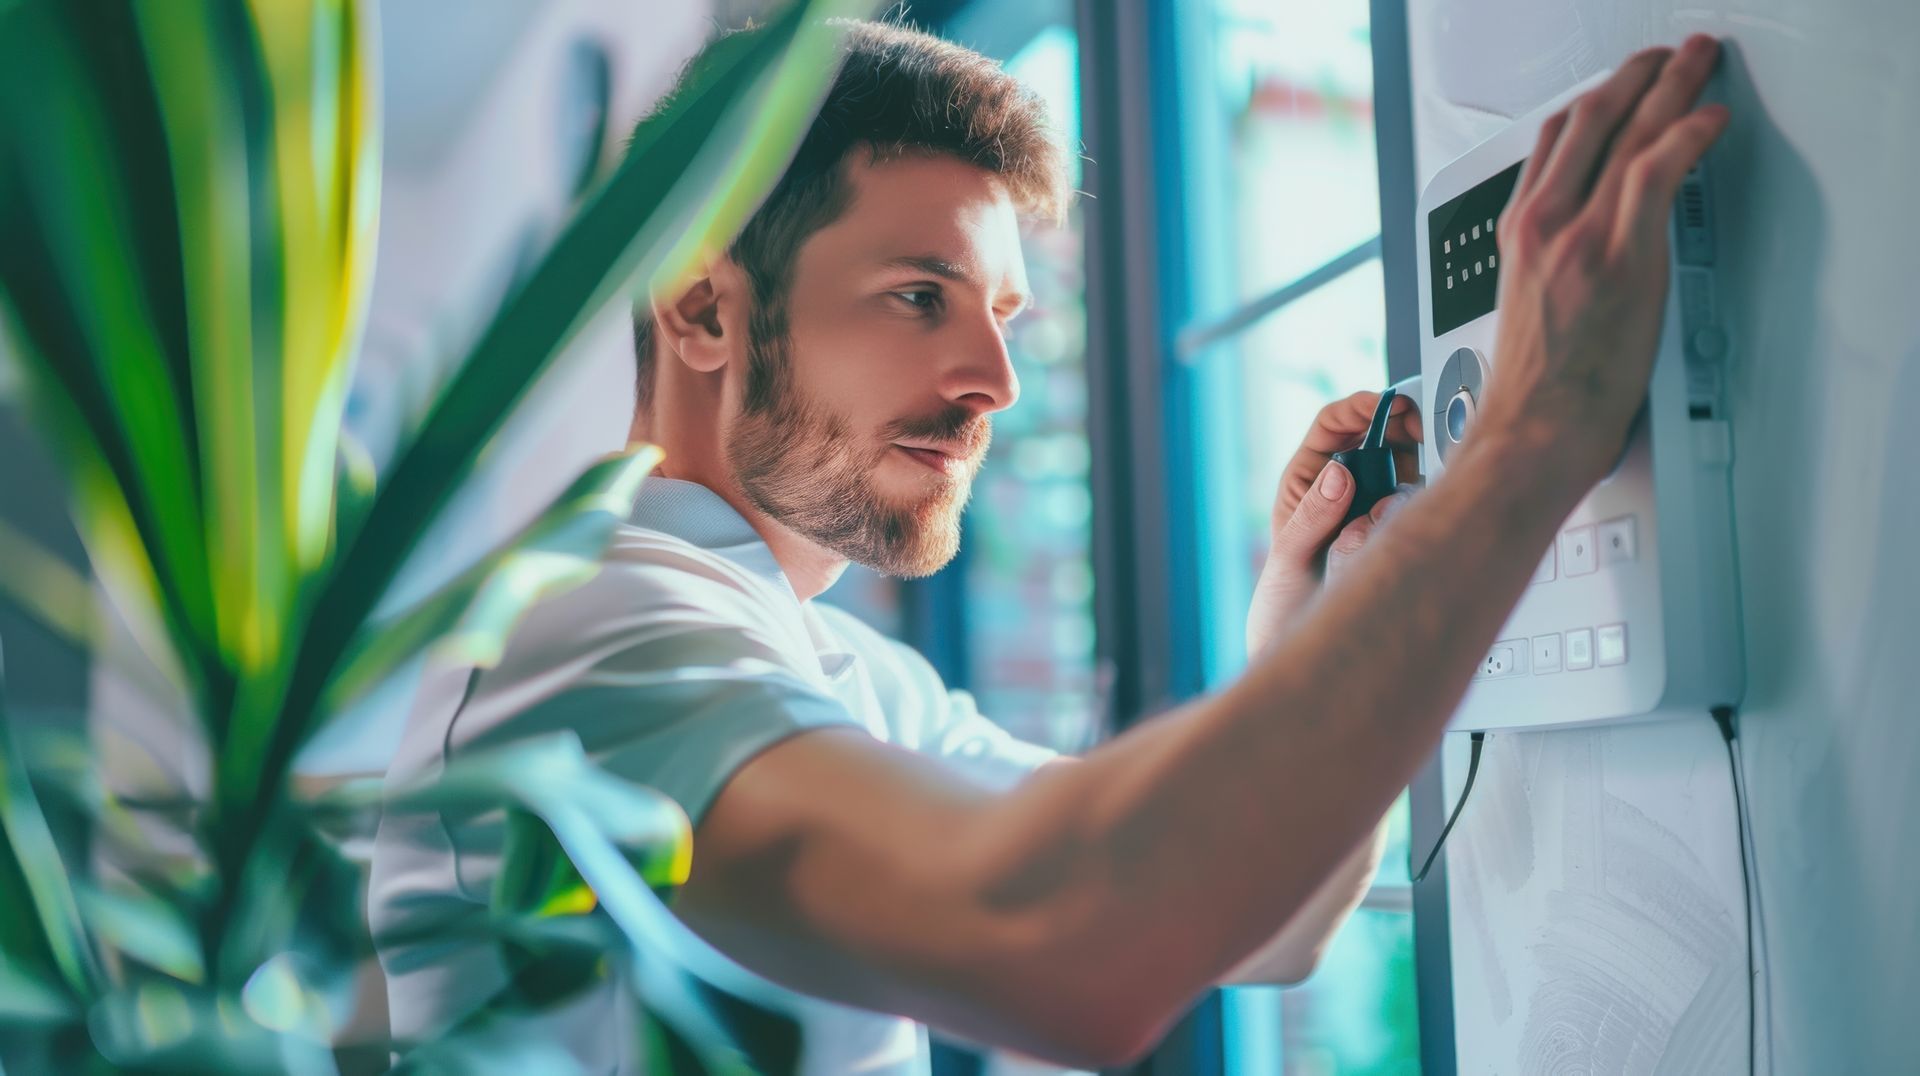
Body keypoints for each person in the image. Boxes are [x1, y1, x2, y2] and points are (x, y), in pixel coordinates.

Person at [369, 19, 1730, 1074]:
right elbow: (1072, 941)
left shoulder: (843, 676)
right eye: (921, 296)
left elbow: (1256, 924)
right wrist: (1529, 442)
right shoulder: (590, 631)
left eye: (1006, 315)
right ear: (705, 317)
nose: (993, 380)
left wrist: (1308, 637)